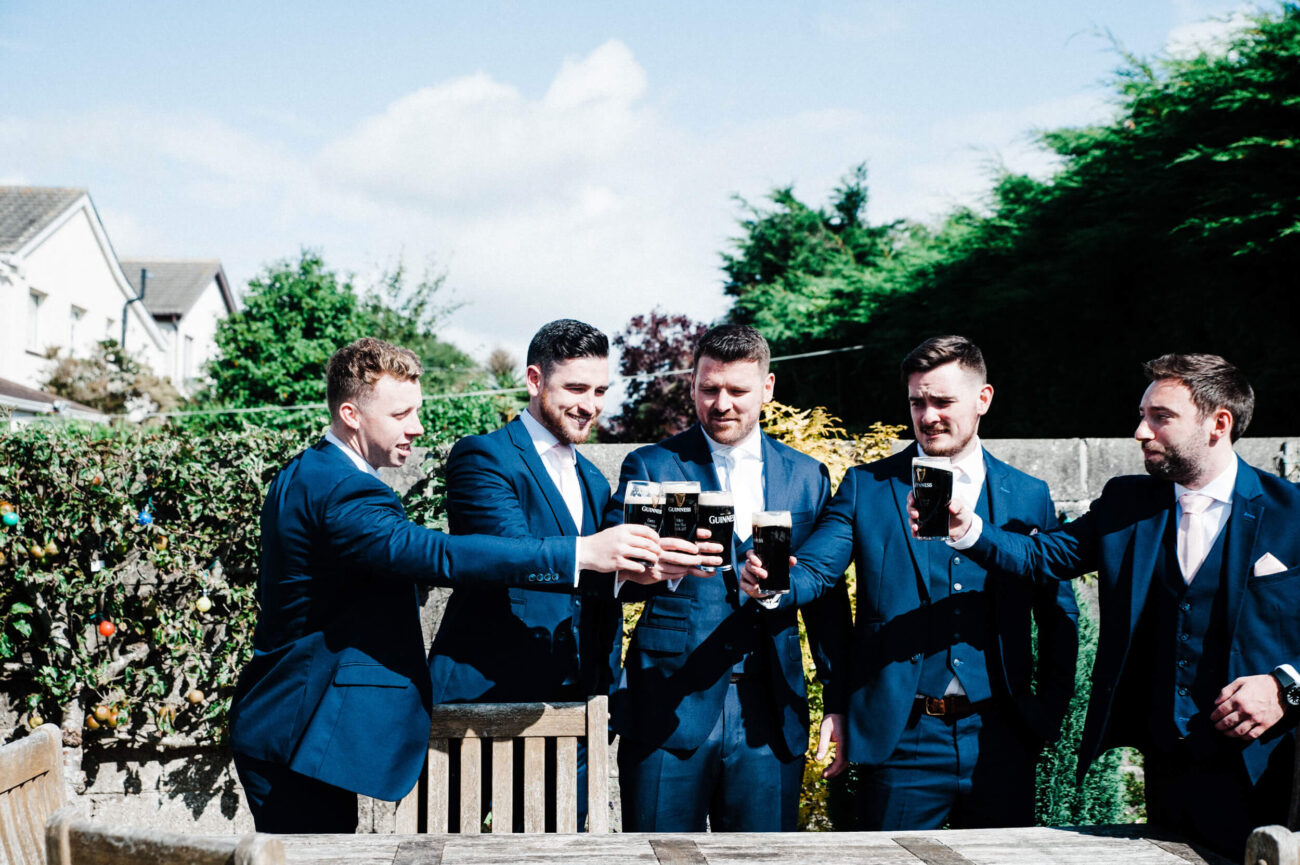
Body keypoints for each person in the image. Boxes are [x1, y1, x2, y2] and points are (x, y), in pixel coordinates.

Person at [228, 337, 668, 833]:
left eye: (416, 411)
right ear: (351, 414)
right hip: (296, 727)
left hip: (293, 725)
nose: (417, 428)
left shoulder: (313, 471)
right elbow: (439, 554)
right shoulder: (343, 489)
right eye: (400, 415)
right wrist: (580, 552)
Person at [934, 352, 1300, 856]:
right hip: (1167, 762)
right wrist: (966, 530)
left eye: (1161, 417)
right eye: (1142, 415)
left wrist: (1287, 688)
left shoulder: (1293, 513)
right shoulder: (1129, 501)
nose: (1140, 432)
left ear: (1219, 423)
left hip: (1268, 769)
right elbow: (1044, 556)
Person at [743, 334, 1079, 830]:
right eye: (917, 402)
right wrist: (774, 586)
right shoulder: (867, 486)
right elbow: (816, 570)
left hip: (1000, 734)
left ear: (983, 399)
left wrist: (1045, 714)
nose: (928, 416)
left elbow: (1059, 612)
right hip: (902, 738)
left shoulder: (1029, 494)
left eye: (943, 401)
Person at [428, 319, 701, 828]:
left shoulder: (594, 478)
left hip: (574, 715)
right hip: (480, 710)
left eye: (600, 390)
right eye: (575, 388)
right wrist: (595, 553)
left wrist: (650, 572)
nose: (591, 405)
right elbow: (510, 554)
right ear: (534, 380)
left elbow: (596, 582)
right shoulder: (482, 457)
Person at [606, 323, 850, 832]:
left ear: (767, 388)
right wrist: (655, 569)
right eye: (709, 388)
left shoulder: (807, 476)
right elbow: (614, 576)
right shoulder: (651, 465)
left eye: (737, 391)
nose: (722, 404)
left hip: (770, 712)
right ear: (692, 384)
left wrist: (838, 699)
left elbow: (825, 597)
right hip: (668, 706)